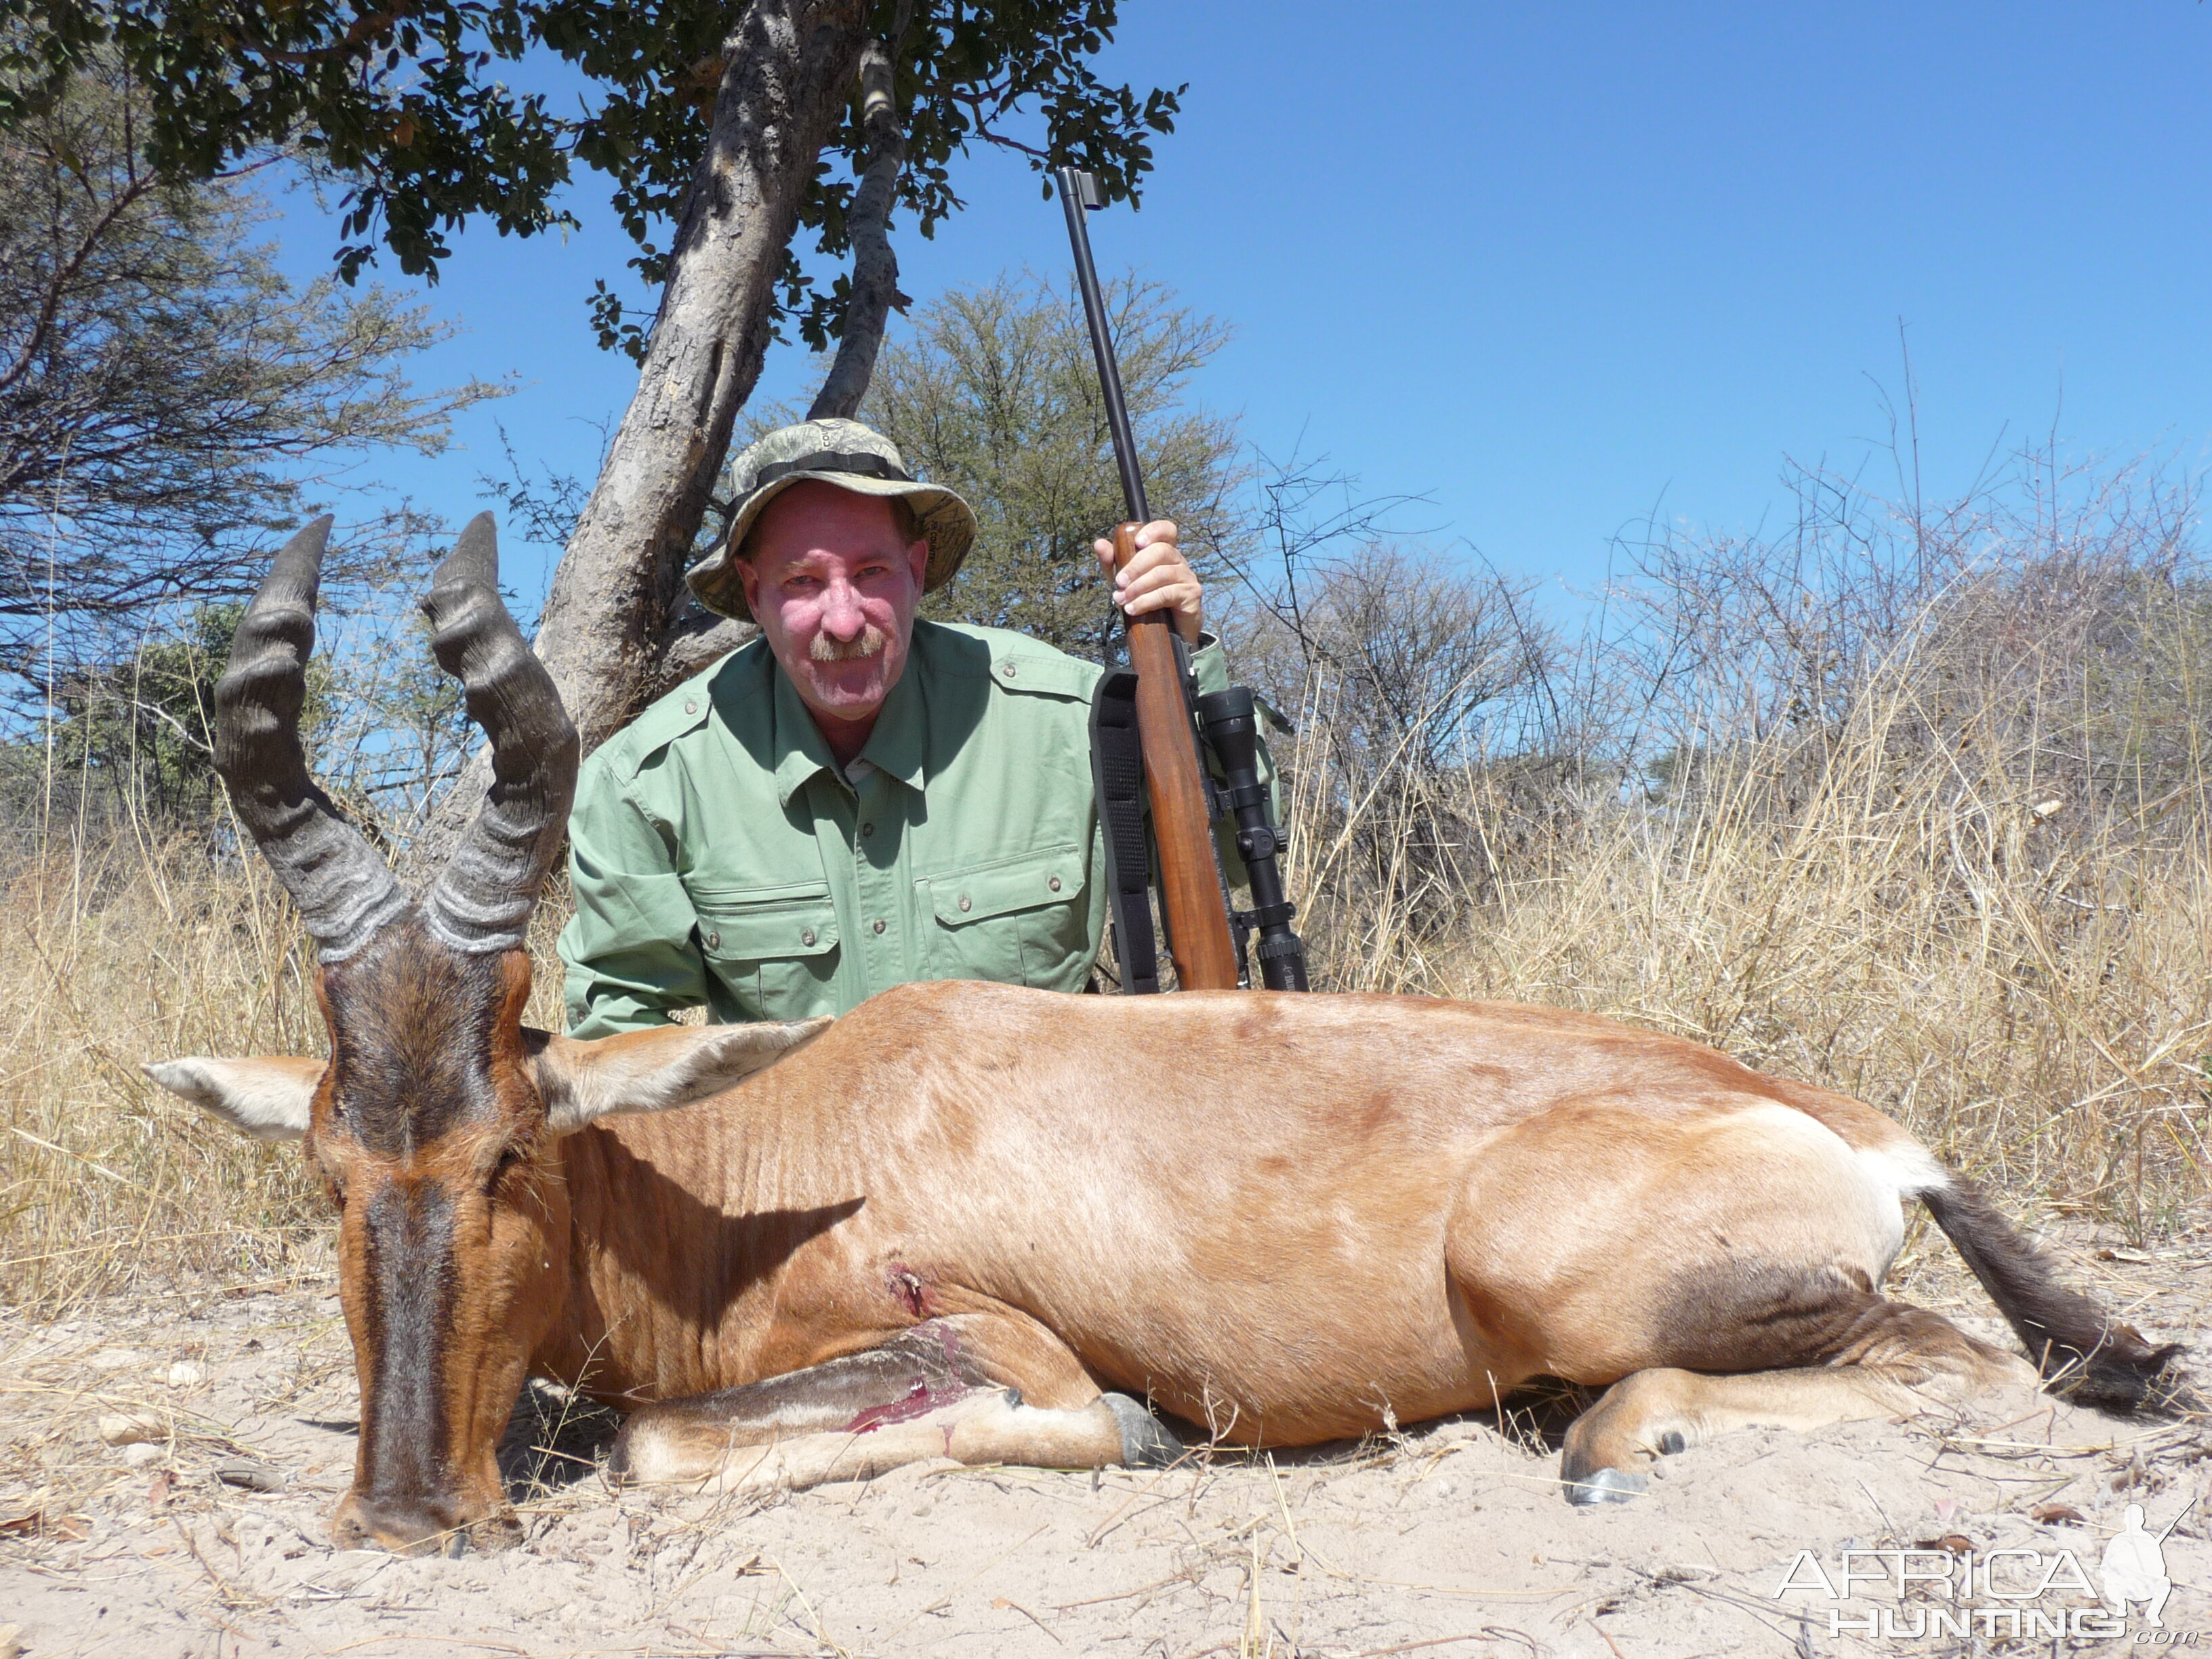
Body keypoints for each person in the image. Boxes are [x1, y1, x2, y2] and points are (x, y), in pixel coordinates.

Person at [558, 416, 1258, 1037]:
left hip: (1046, 1161)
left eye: (871, 572)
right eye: (802, 581)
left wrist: (1184, 659)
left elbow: (1229, 862)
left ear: (916, 571)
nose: (843, 619)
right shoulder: (645, 781)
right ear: (752, 590)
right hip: (802, 1171)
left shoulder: (1075, 716)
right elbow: (618, 1020)